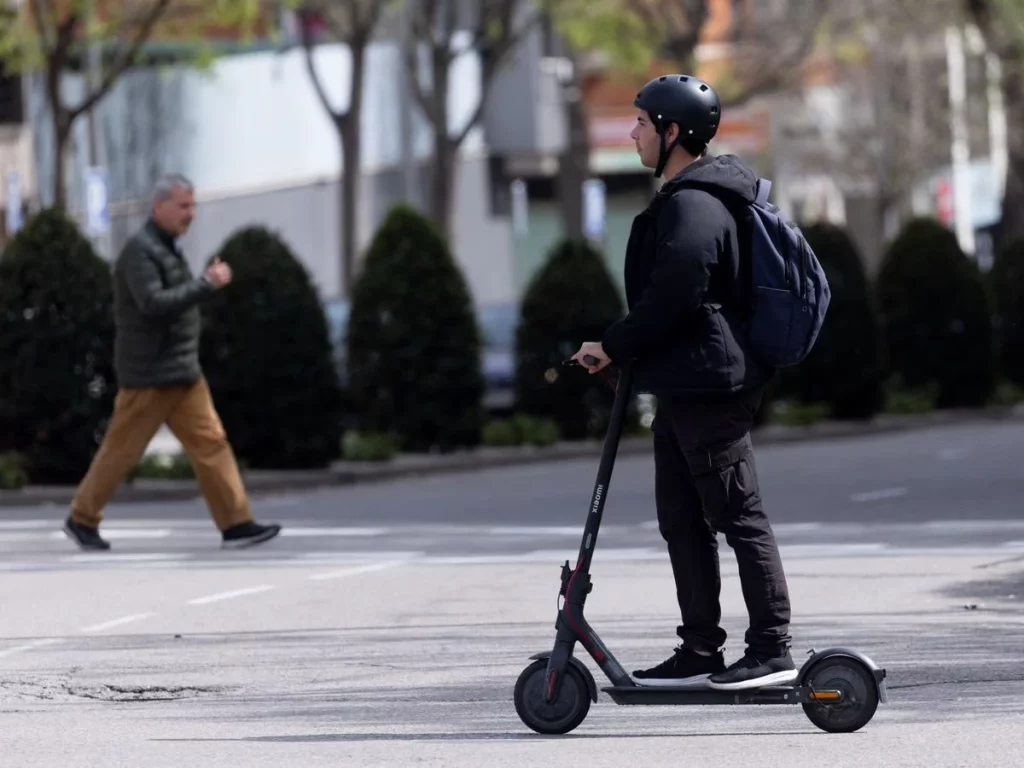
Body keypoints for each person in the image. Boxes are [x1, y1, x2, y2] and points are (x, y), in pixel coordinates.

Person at [571, 75, 795, 692]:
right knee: (682, 519)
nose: (633, 132)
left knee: (737, 515)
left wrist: (614, 344)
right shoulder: (686, 198)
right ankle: (699, 647)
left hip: (711, 386)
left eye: (643, 123)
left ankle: (772, 648)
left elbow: (677, 293)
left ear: (673, 132)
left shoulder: (696, 205)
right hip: (683, 385)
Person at [63, 173, 282, 552]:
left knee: (212, 443)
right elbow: (153, 304)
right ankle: (82, 517)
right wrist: (206, 284)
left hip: (182, 372)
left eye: (193, 205)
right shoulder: (141, 251)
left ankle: (236, 524)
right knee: (122, 450)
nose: (190, 213)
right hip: (150, 374)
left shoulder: (166, 248)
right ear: (159, 206)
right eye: (183, 206)